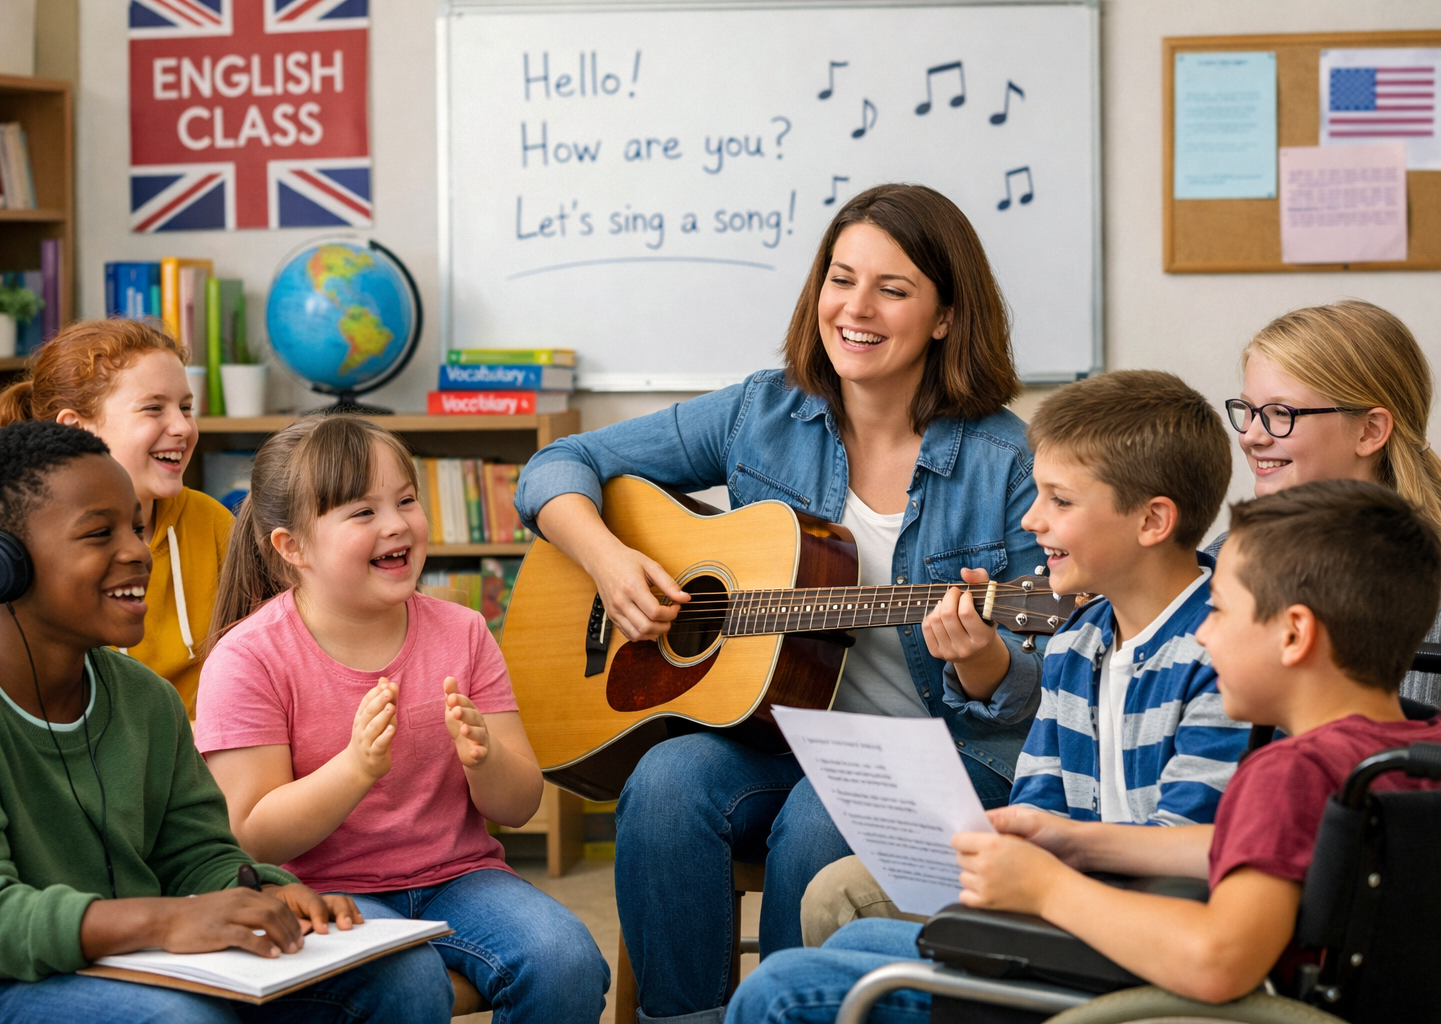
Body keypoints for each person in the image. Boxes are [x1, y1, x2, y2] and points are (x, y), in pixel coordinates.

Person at [514, 183, 1045, 1022]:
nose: (855, 309)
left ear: (946, 316)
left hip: (946, 750)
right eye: (841, 279)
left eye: (892, 289)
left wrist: (982, 660)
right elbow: (557, 466)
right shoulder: (762, 412)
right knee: (663, 784)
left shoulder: (1006, 462)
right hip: (780, 735)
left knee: (814, 826)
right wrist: (610, 562)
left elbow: (1037, 682)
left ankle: (789, 1010)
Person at [727, 478, 1441, 1022]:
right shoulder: (1400, 751)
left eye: (1221, 611)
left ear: (1293, 634)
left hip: (1164, 1005)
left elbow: (1219, 960)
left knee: (783, 987)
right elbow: (1255, 849)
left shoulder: (1287, 771)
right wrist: (1077, 840)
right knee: (855, 945)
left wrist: (1048, 888)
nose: (1203, 633)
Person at [0, 420, 452, 1024]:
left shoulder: (145, 698)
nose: (137, 552)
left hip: (134, 959)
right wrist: (166, 921)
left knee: (406, 977)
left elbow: (197, 854)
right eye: (99, 533)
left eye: (137, 529)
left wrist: (268, 890)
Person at [799, 370, 1249, 946]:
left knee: (815, 970)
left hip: (1142, 921)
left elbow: (1188, 849)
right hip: (1067, 885)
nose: (1032, 520)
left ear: (1152, 521)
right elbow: (1038, 800)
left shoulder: (1224, 651)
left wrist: (1042, 874)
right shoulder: (1078, 640)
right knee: (838, 893)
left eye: (1060, 500)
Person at [195, 415, 609, 1023]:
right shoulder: (248, 658)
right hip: (321, 893)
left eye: (407, 500)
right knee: (409, 981)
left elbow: (519, 805)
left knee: (566, 961)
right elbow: (252, 834)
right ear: (292, 547)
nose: (396, 524)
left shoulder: (465, 631)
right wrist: (355, 769)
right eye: (363, 511)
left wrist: (486, 759)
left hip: (460, 878)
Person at [0, 318, 232, 713]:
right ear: (75, 430)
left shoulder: (213, 522)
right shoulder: (26, 553)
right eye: (153, 408)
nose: (182, 427)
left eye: (186, 407)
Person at [1216, 300, 1441, 706]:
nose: (1250, 436)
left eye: (1280, 413)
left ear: (1369, 431)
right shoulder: (1224, 559)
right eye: (1248, 410)